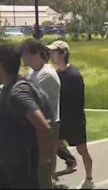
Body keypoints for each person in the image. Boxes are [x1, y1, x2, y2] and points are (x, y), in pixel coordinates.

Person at [20, 39, 76, 186]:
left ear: (35, 54)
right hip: (35, 124)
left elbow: (27, 98)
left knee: (44, 171)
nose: (22, 57)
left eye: (25, 54)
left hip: (48, 126)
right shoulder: (32, 71)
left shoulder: (47, 75)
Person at [0, 44, 53, 188]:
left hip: (20, 168)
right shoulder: (15, 85)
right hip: (12, 165)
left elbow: (43, 127)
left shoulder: (18, 93)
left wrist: (44, 162)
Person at [47, 41, 95, 188]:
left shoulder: (73, 75)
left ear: (63, 54)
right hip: (59, 119)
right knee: (52, 149)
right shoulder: (55, 74)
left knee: (82, 150)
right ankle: (49, 180)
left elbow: (77, 101)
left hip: (74, 121)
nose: (51, 54)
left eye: (54, 52)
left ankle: (89, 178)